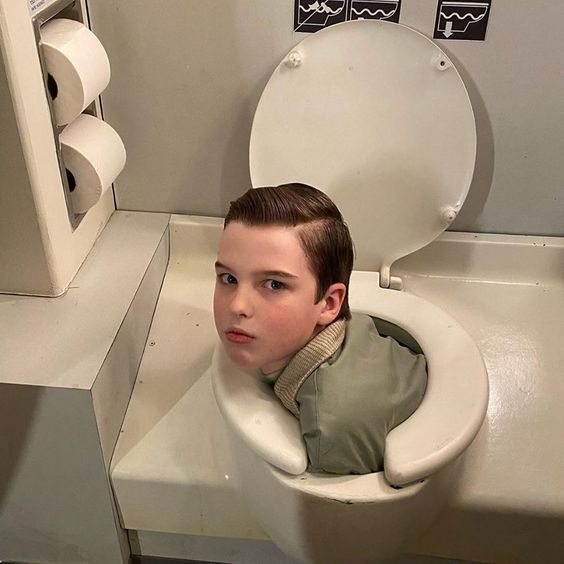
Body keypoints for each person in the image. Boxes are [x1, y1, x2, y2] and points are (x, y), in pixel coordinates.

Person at [213, 183, 427, 475]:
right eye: (228, 278)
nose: (237, 305)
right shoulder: (346, 329)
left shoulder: (332, 427)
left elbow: (349, 508)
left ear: (328, 304)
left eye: (274, 284)